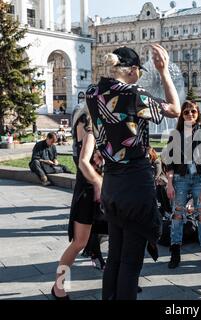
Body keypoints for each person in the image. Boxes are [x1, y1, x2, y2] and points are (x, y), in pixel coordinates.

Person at [86, 45, 181, 300]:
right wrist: (164, 71)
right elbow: (175, 109)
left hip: (111, 184)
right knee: (130, 262)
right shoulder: (133, 93)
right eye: (140, 70)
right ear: (131, 70)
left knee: (115, 257)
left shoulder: (92, 93)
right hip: (135, 184)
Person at [51, 103, 105, 300]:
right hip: (89, 193)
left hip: (98, 191)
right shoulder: (88, 125)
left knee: (115, 236)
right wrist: (98, 182)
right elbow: (84, 161)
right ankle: (59, 287)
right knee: (78, 243)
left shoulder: (95, 125)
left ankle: (121, 280)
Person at [165, 100, 201, 269]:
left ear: (198, 113)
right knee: (178, 215)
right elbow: (169, 162)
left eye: (193, 111)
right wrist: (169, 183)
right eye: (186, 112)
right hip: (180, 178)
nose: (190, 114)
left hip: (199, 179)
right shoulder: (175, 134)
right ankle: (175, 251)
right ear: (182, 115)